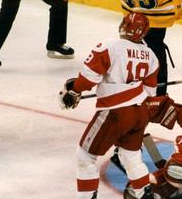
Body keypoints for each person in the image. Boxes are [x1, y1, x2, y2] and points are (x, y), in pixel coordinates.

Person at [58, 13, 159, 199]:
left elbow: (88, 79)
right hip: (140, 113)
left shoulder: (110, 46)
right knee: (131, 156)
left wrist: (74, 89)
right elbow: (150, 93)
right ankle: (144, 193)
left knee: (85, 156)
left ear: (123, 26)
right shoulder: (151, 56)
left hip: (116, 111)